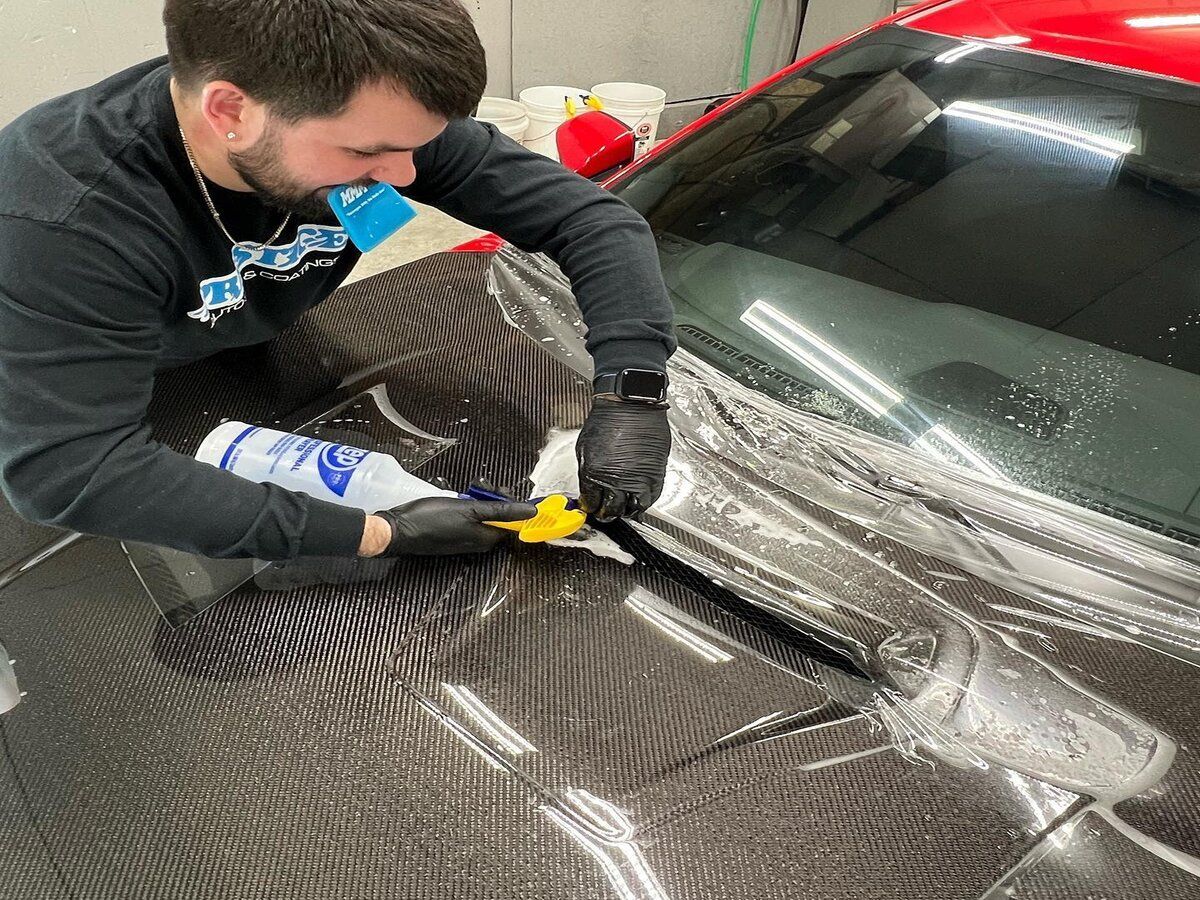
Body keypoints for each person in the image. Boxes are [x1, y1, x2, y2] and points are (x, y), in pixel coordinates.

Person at [0, 0, 676, 562]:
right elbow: (70, 472)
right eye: (369, 154)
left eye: (415, 146)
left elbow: (593, 222)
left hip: (250, 348)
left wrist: (633, 393)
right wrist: (377, 531)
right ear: (230, 111)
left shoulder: (370, 116)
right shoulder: (61, 219)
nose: (409, 177)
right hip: (97, 384)